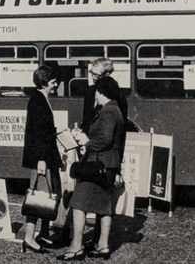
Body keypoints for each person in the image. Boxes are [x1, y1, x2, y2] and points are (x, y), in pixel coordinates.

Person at [57, 76, 124, 261]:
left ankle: (76, 247)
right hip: (108, 165)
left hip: (97, 165)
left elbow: (105, 139)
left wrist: (87, 142)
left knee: (78, 203)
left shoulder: (108, 111)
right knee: (104, 205)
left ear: (101, 92)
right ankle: (103, 245)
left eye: (96, 91)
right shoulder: (115, 109)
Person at [21, 65, 62, 254]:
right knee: (39, 197)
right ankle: (29, 237)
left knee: (50, 196)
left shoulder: (41, 99)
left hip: (47, 157)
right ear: (45, 83)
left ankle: (44, 233)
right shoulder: (37, 101)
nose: (56, 85)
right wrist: (40, 159)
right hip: (42, 158)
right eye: (53, 82)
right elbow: (36, 134)